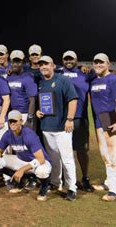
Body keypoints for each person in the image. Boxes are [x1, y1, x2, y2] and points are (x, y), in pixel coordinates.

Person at [36, 56, 79, 201]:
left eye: (46, 64)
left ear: (53, 65)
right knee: (53, 158)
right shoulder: (41, 82)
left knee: (67, 159)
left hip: (62, 128)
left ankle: (72, 187)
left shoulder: (63, 80)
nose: (43, 67)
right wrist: (38, 111)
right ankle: (55, 182)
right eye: (41, 65)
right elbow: (42, 103)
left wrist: (70, 119)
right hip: (46, 127)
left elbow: (72, 100)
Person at [0, 110, 52, 201]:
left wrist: (22, 170)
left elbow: (41, 159)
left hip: (40, 162)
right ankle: (23, 180)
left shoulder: (29, 135)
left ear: (21, 121)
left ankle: (44, 187)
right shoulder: (8, 134)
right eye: (10, 121)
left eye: (15, 121)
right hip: (22, 160)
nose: (12, 123)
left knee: (42, 172)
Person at [90, 53, 116, 202]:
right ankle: (109, 182)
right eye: (96, 62)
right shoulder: (93, 79)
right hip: (100, 122)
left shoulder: (115, 79)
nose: (98, 65)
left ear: (108, 64)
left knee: (115, 157)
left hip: (113, 121)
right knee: (105, 156)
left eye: (101, 63)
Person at [60, 50, 93, 192]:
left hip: (80, 117)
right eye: (66, 59)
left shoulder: (85, 73)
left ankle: (85, 178)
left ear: (76, 60)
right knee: (62, 151)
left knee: (81, 150)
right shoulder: (58, 72)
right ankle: (63, 178)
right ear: (62, 61)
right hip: (62, 119)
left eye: (71, 59)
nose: (68, 61)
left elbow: (105, 71)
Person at [7, 50, 38, 125]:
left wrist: (30, 118)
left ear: (23, 63)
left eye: (18, 62)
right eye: (13, 62)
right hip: (13, 113)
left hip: (25, 114)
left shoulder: (28, 78)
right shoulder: (9, 77)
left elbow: (32, 99)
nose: (15, 64)